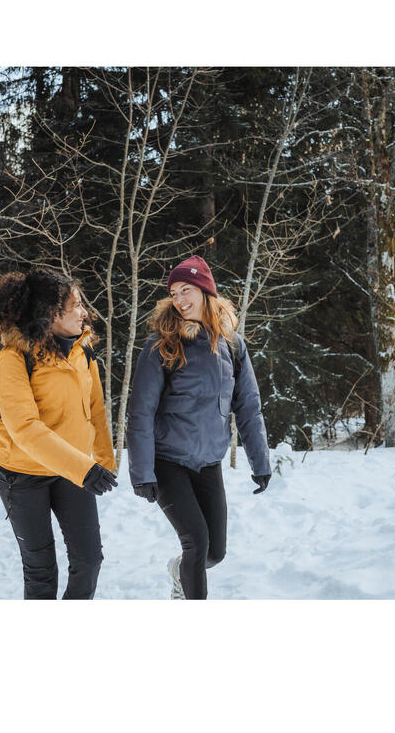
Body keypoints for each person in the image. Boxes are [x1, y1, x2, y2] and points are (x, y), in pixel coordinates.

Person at [127, 255, 271, 600]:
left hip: (208, 462)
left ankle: (180, 571)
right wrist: (142, 472)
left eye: (186, 290)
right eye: (173, 293)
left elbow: (248, 407)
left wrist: (260, 462)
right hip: (168, 461)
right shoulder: (162, 344)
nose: (179, 299)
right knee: (196, 542)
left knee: (215, 553)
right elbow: (141, 411)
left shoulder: (232, 345)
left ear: (206, 291)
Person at [0, 269, 117, 599]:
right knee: (41, 573)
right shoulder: (14, 356)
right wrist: (85, 469)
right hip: (22, 475)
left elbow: (95, 409)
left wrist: (103, 459)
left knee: (89, 561)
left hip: (73, 471)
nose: (84, 313)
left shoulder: (83, 351)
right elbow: (25, 427)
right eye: (76, 306)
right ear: (51, 313)